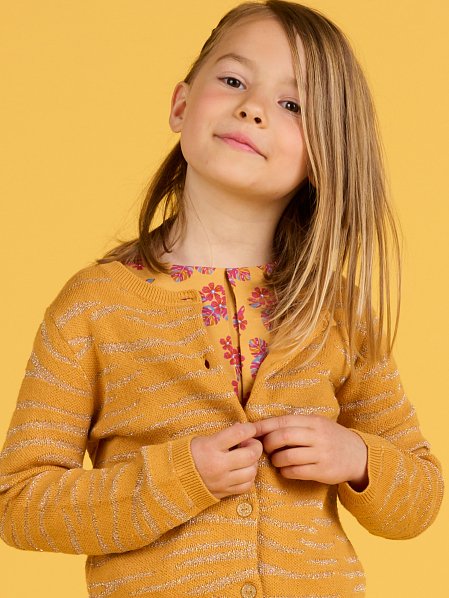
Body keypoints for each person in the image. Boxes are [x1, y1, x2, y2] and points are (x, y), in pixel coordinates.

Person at [0, 1, 443, 596]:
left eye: (293, 105)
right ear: (181, 105)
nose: (252, 108)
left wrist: (358, 457)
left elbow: (420, 498)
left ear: (326, 154)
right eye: (233, 80)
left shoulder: (334, 309)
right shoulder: (95, 306)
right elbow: (19, 502)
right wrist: (175, 478)